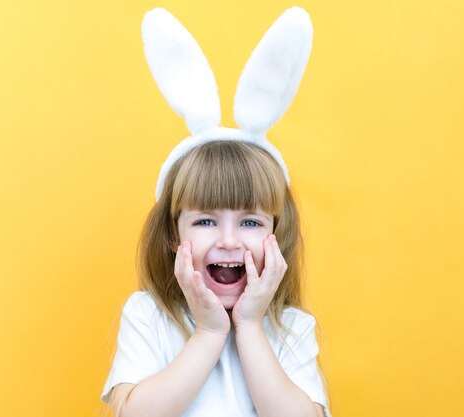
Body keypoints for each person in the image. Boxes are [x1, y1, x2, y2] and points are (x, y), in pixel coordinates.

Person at [101, 6, 331, 417]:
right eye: (206, 221)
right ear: (173, 236)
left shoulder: (291, 328)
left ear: (278, 237)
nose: (228, 240)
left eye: (250, 222)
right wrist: (209, 332)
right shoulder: (150, 316)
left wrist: (252, 326)